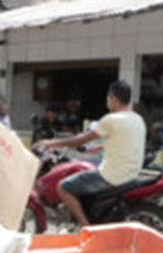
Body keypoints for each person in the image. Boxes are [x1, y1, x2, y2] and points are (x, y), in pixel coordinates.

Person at [33, 80, 145, 228]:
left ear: (113, 98)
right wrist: (98, 148)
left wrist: (51, 143)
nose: (107, 100)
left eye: (108, 97)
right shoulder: (137, 119)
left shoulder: (110, 120)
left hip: (111, 176)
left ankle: (84, 225)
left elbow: (80, 140)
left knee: (63, 186)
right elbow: (123, 141)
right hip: (131, 174)